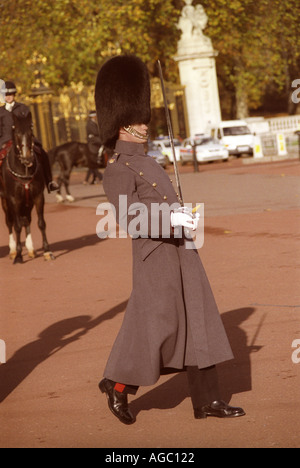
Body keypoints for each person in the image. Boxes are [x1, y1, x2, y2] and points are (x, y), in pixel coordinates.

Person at [95, 55, 245, 425]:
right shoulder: (117, 169)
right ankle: (117, 385)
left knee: (200, 322)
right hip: (154, 259)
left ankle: (207, 401)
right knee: (156, 327)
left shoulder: (151, 161)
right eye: (140, 118)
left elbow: (168, 204)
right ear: (124, 123)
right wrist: (173, 217)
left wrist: (184, 214)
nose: (147, 122)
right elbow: (130, 219)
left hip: (182, 252)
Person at [0, 81, 58, 193]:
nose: (8, 97)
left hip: (24, 139)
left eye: (10, 95)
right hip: (6, 140)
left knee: (43, 153)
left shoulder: (23, 108)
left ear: (14, 95)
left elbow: (29, 125)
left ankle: (49, 182)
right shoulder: (0, 112)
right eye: (6, 95)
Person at [84, 110, 103, 185]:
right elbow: (95, 132)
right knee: (103, 142)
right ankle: (100, 155)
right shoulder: (90, 123)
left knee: (91, 165)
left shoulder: (93, 122)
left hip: (95, 138)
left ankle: (90, 179)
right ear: (93, 116)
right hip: (93, 139)